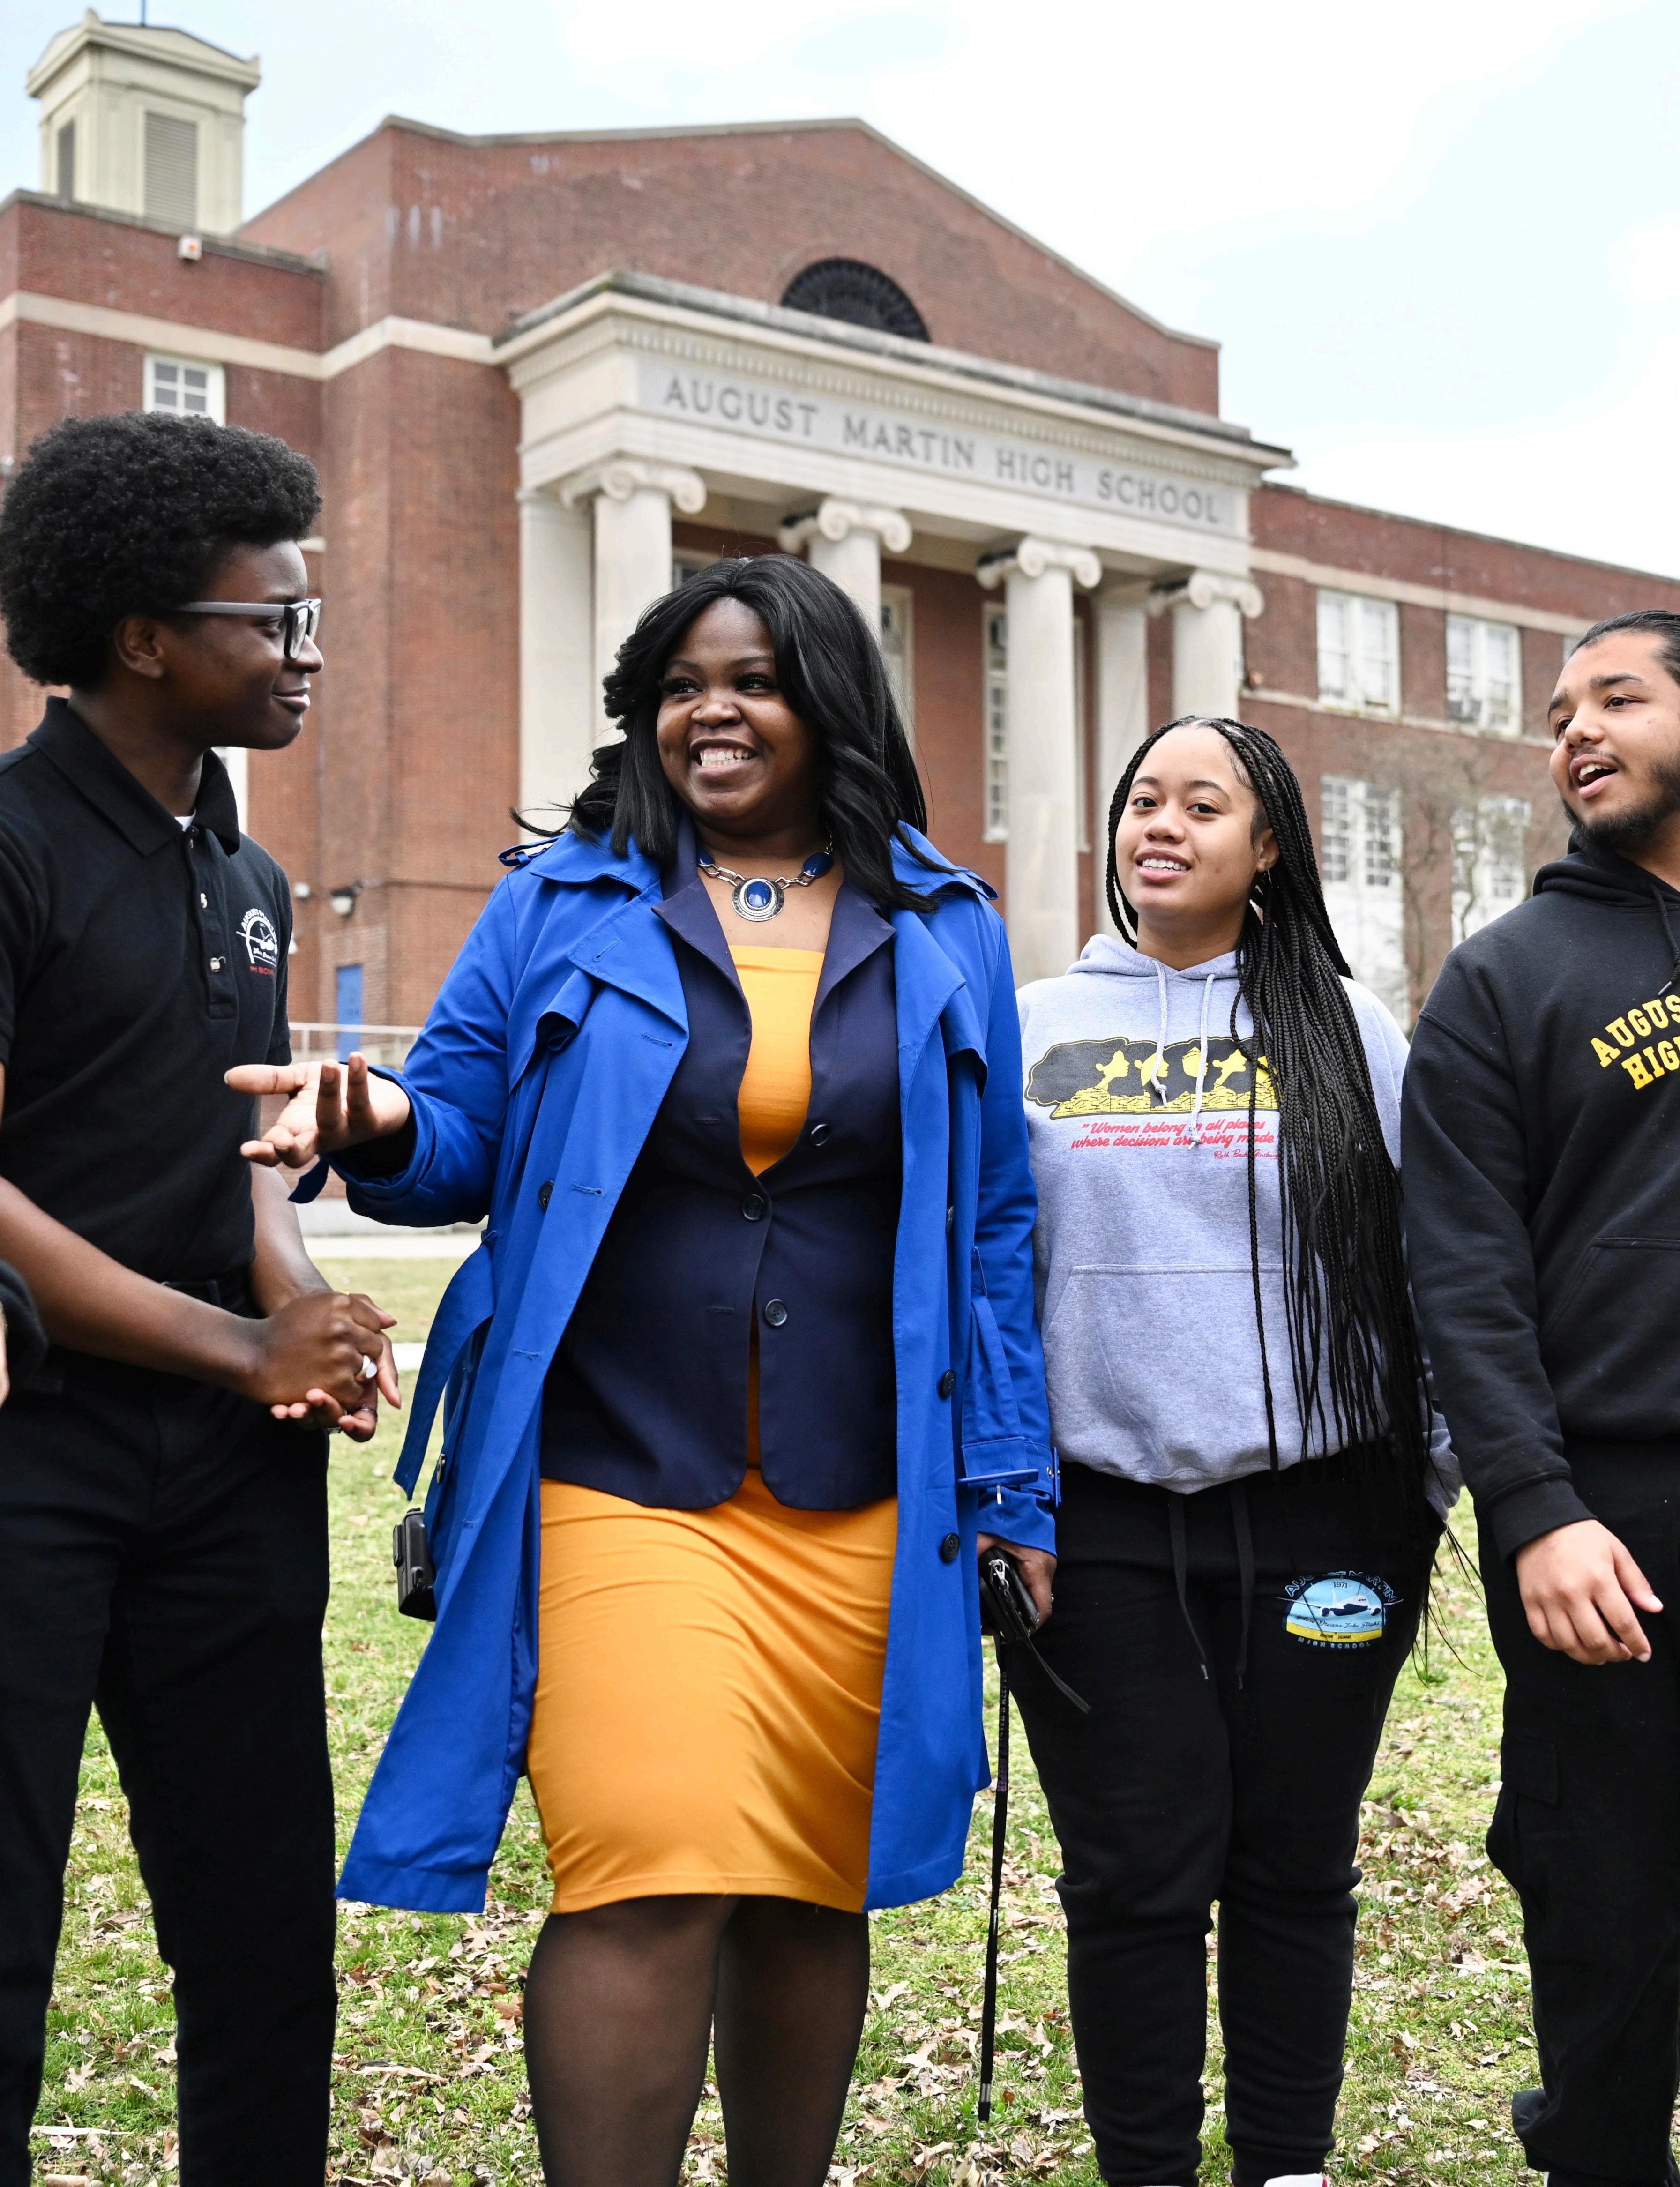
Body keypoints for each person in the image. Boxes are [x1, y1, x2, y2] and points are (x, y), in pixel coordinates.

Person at [233, 553, 1057, 2187]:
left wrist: (1012, 1484)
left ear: (827, 702)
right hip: (618, 1464)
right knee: (646, 1874)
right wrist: (376, 1119)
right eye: (681, 687)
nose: (709, 714)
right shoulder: (562, 899)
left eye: (749, 682)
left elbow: (992, 1231)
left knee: (808, 1885)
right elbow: (454, 1129)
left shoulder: (945, 923)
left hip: (860, 1484)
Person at [0, 411, 400, 2187]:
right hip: (34, 1451)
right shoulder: (12, 842)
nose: (306, 650)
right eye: (274, 619)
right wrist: (241, 1345)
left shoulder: (248, 878)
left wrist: (303, 1316)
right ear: (144, 635)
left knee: (261, 1941)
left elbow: (241, 1158)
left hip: (227, 1482)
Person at [1012, 716, 1453, 2187]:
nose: (1161, 823)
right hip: (1099, 1524)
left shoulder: (1347, 1028)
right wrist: (1001, 1494)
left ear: (1265, 847)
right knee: (1132, 1874)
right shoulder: (1031, 1026)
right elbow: (983, 1275)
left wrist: (1428, 1480)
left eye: (1202, 805)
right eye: (1143, 797)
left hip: (1330, 1518)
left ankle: (1286, 2166)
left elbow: (1432, 1256)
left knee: (1293, 1863)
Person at [1404, 608, 1680, 2187]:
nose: (1573, 728)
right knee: (1606, 1901)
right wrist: (1532, 1506)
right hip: (1609, 1521)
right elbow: (1461, 1272)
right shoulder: (1502, 977)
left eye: (1615, 698)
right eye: (1561, 711)